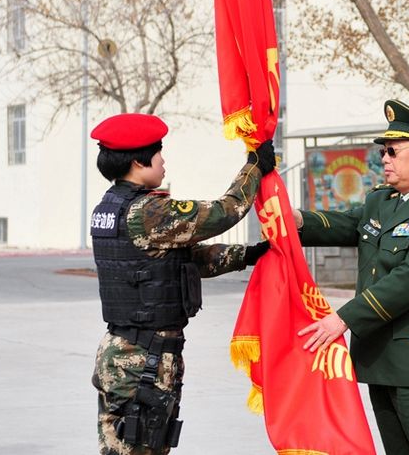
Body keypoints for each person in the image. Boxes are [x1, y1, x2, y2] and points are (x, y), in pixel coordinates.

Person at [89, 113, 275, 455]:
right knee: (140, 447)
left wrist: (248, 255)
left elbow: (183, 262)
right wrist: (254, 168)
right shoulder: (147, 212)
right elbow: (224, 212)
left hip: (129, 352)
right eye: (158, 153)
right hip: (142, 359)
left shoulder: (112, 207)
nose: (163, 161)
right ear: (137, 162)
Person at [295, 99, 409, 455]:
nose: (384, 159)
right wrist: (295, 219)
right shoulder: (383, 201)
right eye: (382, 152)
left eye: (392, 151)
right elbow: (345, 224)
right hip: (381, 357)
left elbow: (407, 281)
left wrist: (342, 319)